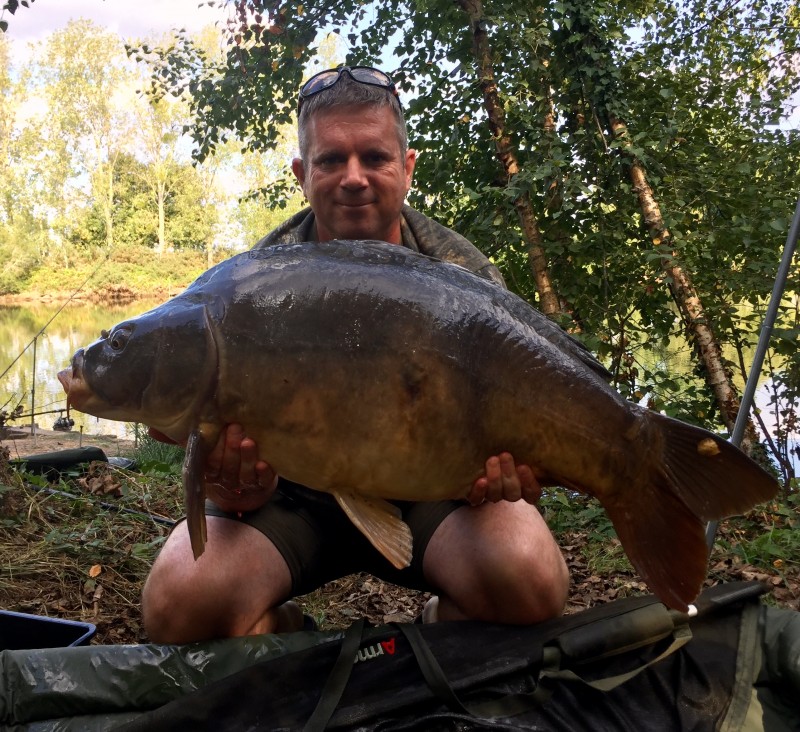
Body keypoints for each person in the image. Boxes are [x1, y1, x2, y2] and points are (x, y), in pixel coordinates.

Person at [142, 67, 569, 644]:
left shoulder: (462, 278)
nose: (353, 178)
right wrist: (236, 485)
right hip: (293, 497)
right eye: (330, 160)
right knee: (178, 607)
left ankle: (433, 633)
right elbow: (219, 468)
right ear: (302, 173)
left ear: (407, 167)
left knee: (530, 580)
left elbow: (513, 425)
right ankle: (289, 639)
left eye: (374, 157)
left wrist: (500, 472)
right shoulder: (246, 290)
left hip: (428, 491)